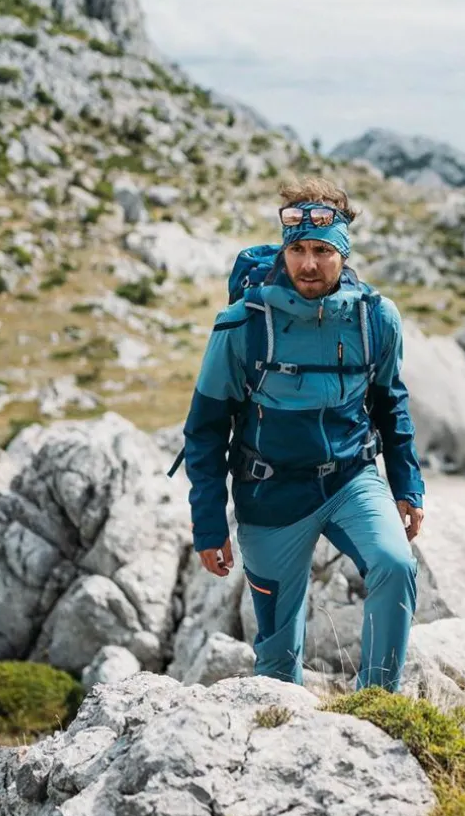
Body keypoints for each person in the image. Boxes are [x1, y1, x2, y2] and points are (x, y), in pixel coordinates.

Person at [180, 175, 425, 692]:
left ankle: (378, 703)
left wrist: (407, 485)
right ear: (284, 251)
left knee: (395, 564)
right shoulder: (241, 326)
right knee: (276, 658)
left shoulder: (376, 319)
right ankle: (278, 726)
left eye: (321, 250)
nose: (308, 264)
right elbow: (204, 431)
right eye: (298, 250)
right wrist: (208, 523)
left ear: (343, 251)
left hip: (350, 481)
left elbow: (390, 402)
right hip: (269, 497)